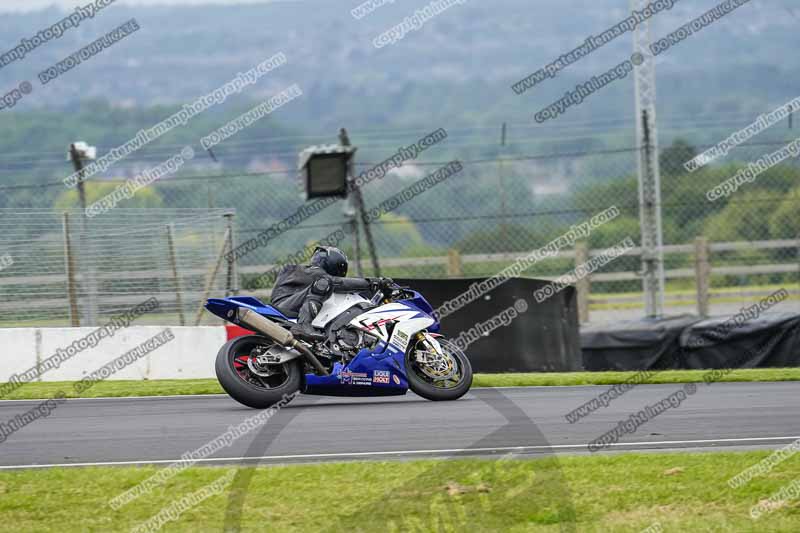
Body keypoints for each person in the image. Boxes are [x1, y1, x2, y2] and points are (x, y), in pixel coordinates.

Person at [270, 246, 393, 341]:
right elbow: (335, 282)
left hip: (284, 308)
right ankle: (303, 325)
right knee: (325, 283)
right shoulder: (314, 273)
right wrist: (373, 283)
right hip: (284, 310)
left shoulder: (299, 272)